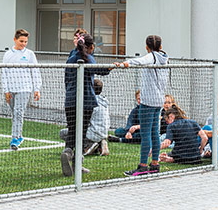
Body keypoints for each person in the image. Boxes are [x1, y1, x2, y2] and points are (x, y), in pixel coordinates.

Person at [114, 34, 169, 176]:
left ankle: (143, 166)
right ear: (160, 46)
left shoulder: (152, 57)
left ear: (147, 47)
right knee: (154, 133)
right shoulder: (164, 58)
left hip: (148, 102)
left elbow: (140, 61)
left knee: (146, 134)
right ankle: (154, 164)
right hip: (158, 100)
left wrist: (125, 63)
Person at [61, 29, 111, 176]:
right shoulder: (88, 58)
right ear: (91, 47)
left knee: (72, 131)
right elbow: (100, 70)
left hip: (70, 100)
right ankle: (77, 164)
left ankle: (67, 152)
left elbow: (66, 80)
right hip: (86, 101)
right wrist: (111, 67)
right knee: (81, 133)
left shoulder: (71, 58)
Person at [1, 28, 41, 150]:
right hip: (11, 89)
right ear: (15, 39)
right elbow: (4, 73)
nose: (23, 44)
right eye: (21, 41)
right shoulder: (8, 54)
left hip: (25, 88)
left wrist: (37, 88)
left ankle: (15, 138)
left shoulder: (30, 54)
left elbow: (35, 71)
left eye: (25, 41)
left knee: (19, 112)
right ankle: (19, 135)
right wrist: (6, 90)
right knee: (14, 113)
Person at [83, 78, 110, 156]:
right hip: (104, 133)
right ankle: (100, 144)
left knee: (64, 133)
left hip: (93, 133)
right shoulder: (104, 102)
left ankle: (88, 145)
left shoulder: (90, 101)